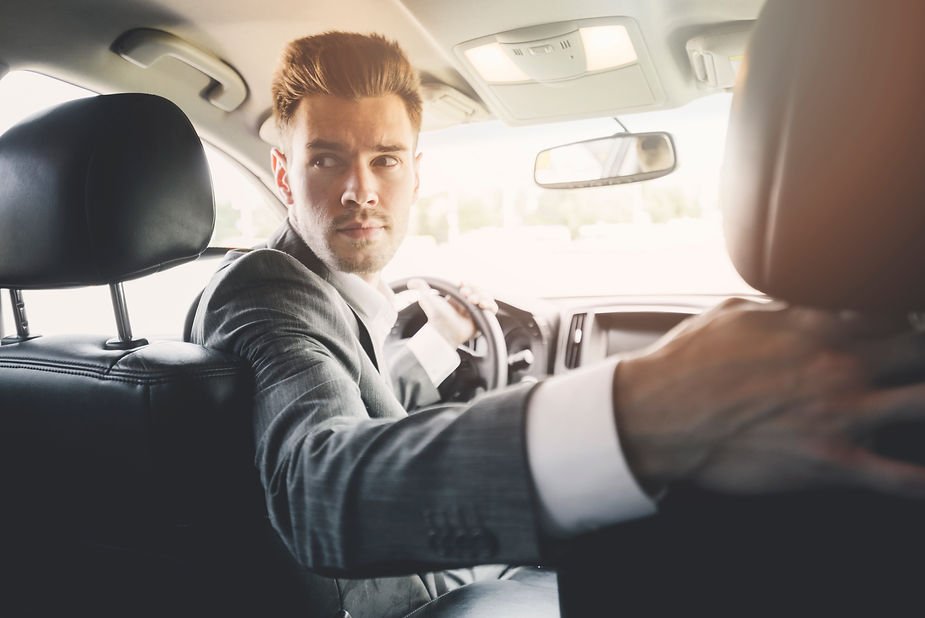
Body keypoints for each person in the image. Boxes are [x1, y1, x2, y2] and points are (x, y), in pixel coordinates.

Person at [191, 31, 925, 617]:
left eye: (384, 160)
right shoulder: (266, 292)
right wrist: (643, 409)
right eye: (326, 159)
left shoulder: (341, 294)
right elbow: (319, 491)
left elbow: (366, 410)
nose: (360, 190)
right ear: (284, 175)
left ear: (416, 171)